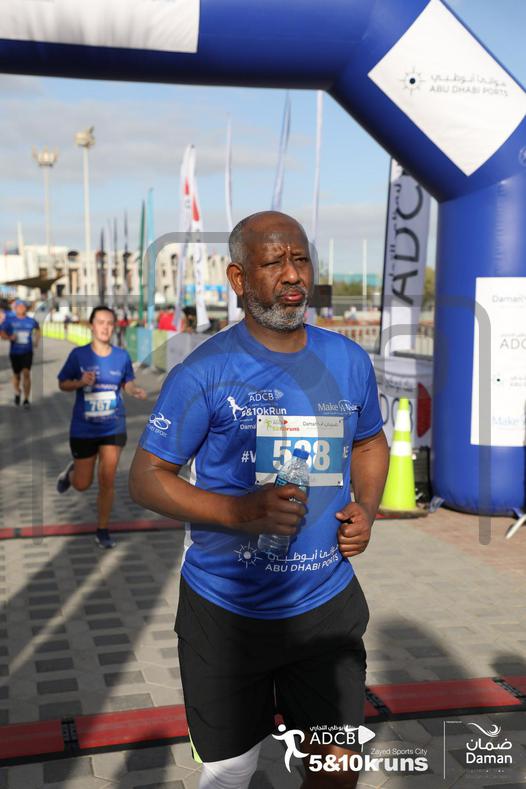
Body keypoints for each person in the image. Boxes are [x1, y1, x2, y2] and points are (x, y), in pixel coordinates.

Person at [129, 211, 389, 788]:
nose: (292, 275)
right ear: (239, 278)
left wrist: (367, 508)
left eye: (300, 260)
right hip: (226, 612)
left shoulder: (348, 361)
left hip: (325, 606)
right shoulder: (203, 371)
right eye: (273, 263)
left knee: (336, 768)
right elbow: (146, 478)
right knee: (231, 772)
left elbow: (370, 442)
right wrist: (238, 512)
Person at [56, 305, 147, 549]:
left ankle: (103, 529)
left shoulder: (122, 356)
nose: (105, 327)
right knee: (82, 484)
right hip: (83, 429)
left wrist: (134, 390)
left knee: (107, 480)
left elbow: (127, 382)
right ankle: (71, 473)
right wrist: (79, 382)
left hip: (113, 427)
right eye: (100, 322)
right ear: (92, 326)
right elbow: (62, 383)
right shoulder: (78, 355)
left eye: (109, 323)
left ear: (114, 326)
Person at [0, 299, 40, 408]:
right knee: (16, 375)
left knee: (26, 373)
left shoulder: (31, 321)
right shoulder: (10, 321)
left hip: (27, 351)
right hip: (15, 352)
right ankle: (17, 391)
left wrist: (36, 341)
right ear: (16, 309)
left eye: (23, 307)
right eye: (19, 307)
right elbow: (2, 332)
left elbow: (38, 329)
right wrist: (9, 337)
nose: (21, 309)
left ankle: (26, 399)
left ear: (25, 308)